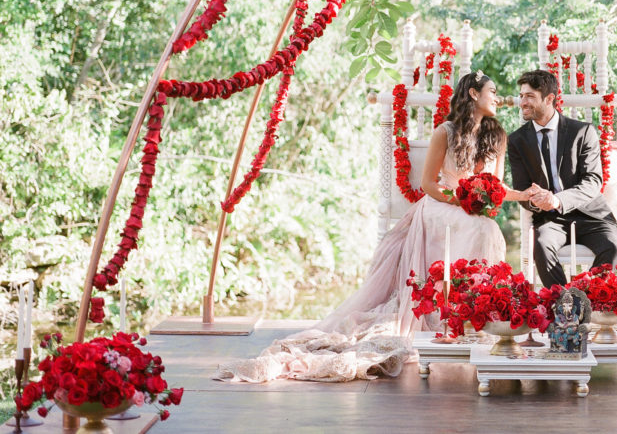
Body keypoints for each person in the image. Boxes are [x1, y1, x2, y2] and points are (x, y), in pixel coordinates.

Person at [215, 71, 531, 383]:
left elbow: (495, 184)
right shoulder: (444, 132)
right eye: (491, 91)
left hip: (472, 211)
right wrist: (460, 198)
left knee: (487, 228)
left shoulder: (497, 136)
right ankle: (449, 315)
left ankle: (478, 313)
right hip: (441, 205)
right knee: (481, 230)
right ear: (474, 94)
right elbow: (428, 185)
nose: (496, 96)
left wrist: (491, 199)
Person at [507, 69, 617, 288]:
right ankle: (565, 306)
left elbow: (592, 181)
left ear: (549, 98)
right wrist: (535, 200)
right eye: (521, 96)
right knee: (541, 246)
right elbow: (522, 190)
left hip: (591, 215)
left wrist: (558, 200)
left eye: (530, 96)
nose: (522, 102)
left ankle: (587, 303)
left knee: (613, 246)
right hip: (550, 220)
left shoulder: (583, 132)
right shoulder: (517, 141)